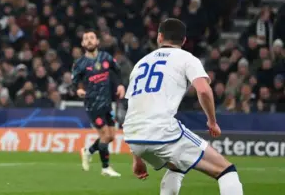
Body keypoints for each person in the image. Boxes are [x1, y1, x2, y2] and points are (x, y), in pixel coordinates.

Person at [124, 18, 244, 194]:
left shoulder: (140, 64)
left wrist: (138, 158)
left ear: (159, 37)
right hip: (162, 131)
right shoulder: (187, 58)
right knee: (226, 170)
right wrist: (212, 121)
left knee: (177, 167)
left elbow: (134, 107)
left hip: (132, 135)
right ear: (184, 40)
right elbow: (203, 90)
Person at [72, 30, 125, 177]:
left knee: (111, 136)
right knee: (104, 135)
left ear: (97, 42)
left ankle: (88, 152)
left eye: (92, 38)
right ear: (83, 44)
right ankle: (105, 168)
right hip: (92, 105)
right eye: (86, 39)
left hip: (107, 103)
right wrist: (79, 90)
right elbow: (75, 82)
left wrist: (120, 85)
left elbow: (117, 72)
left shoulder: (106, 57)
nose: (89, 41)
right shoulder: (80, 63)